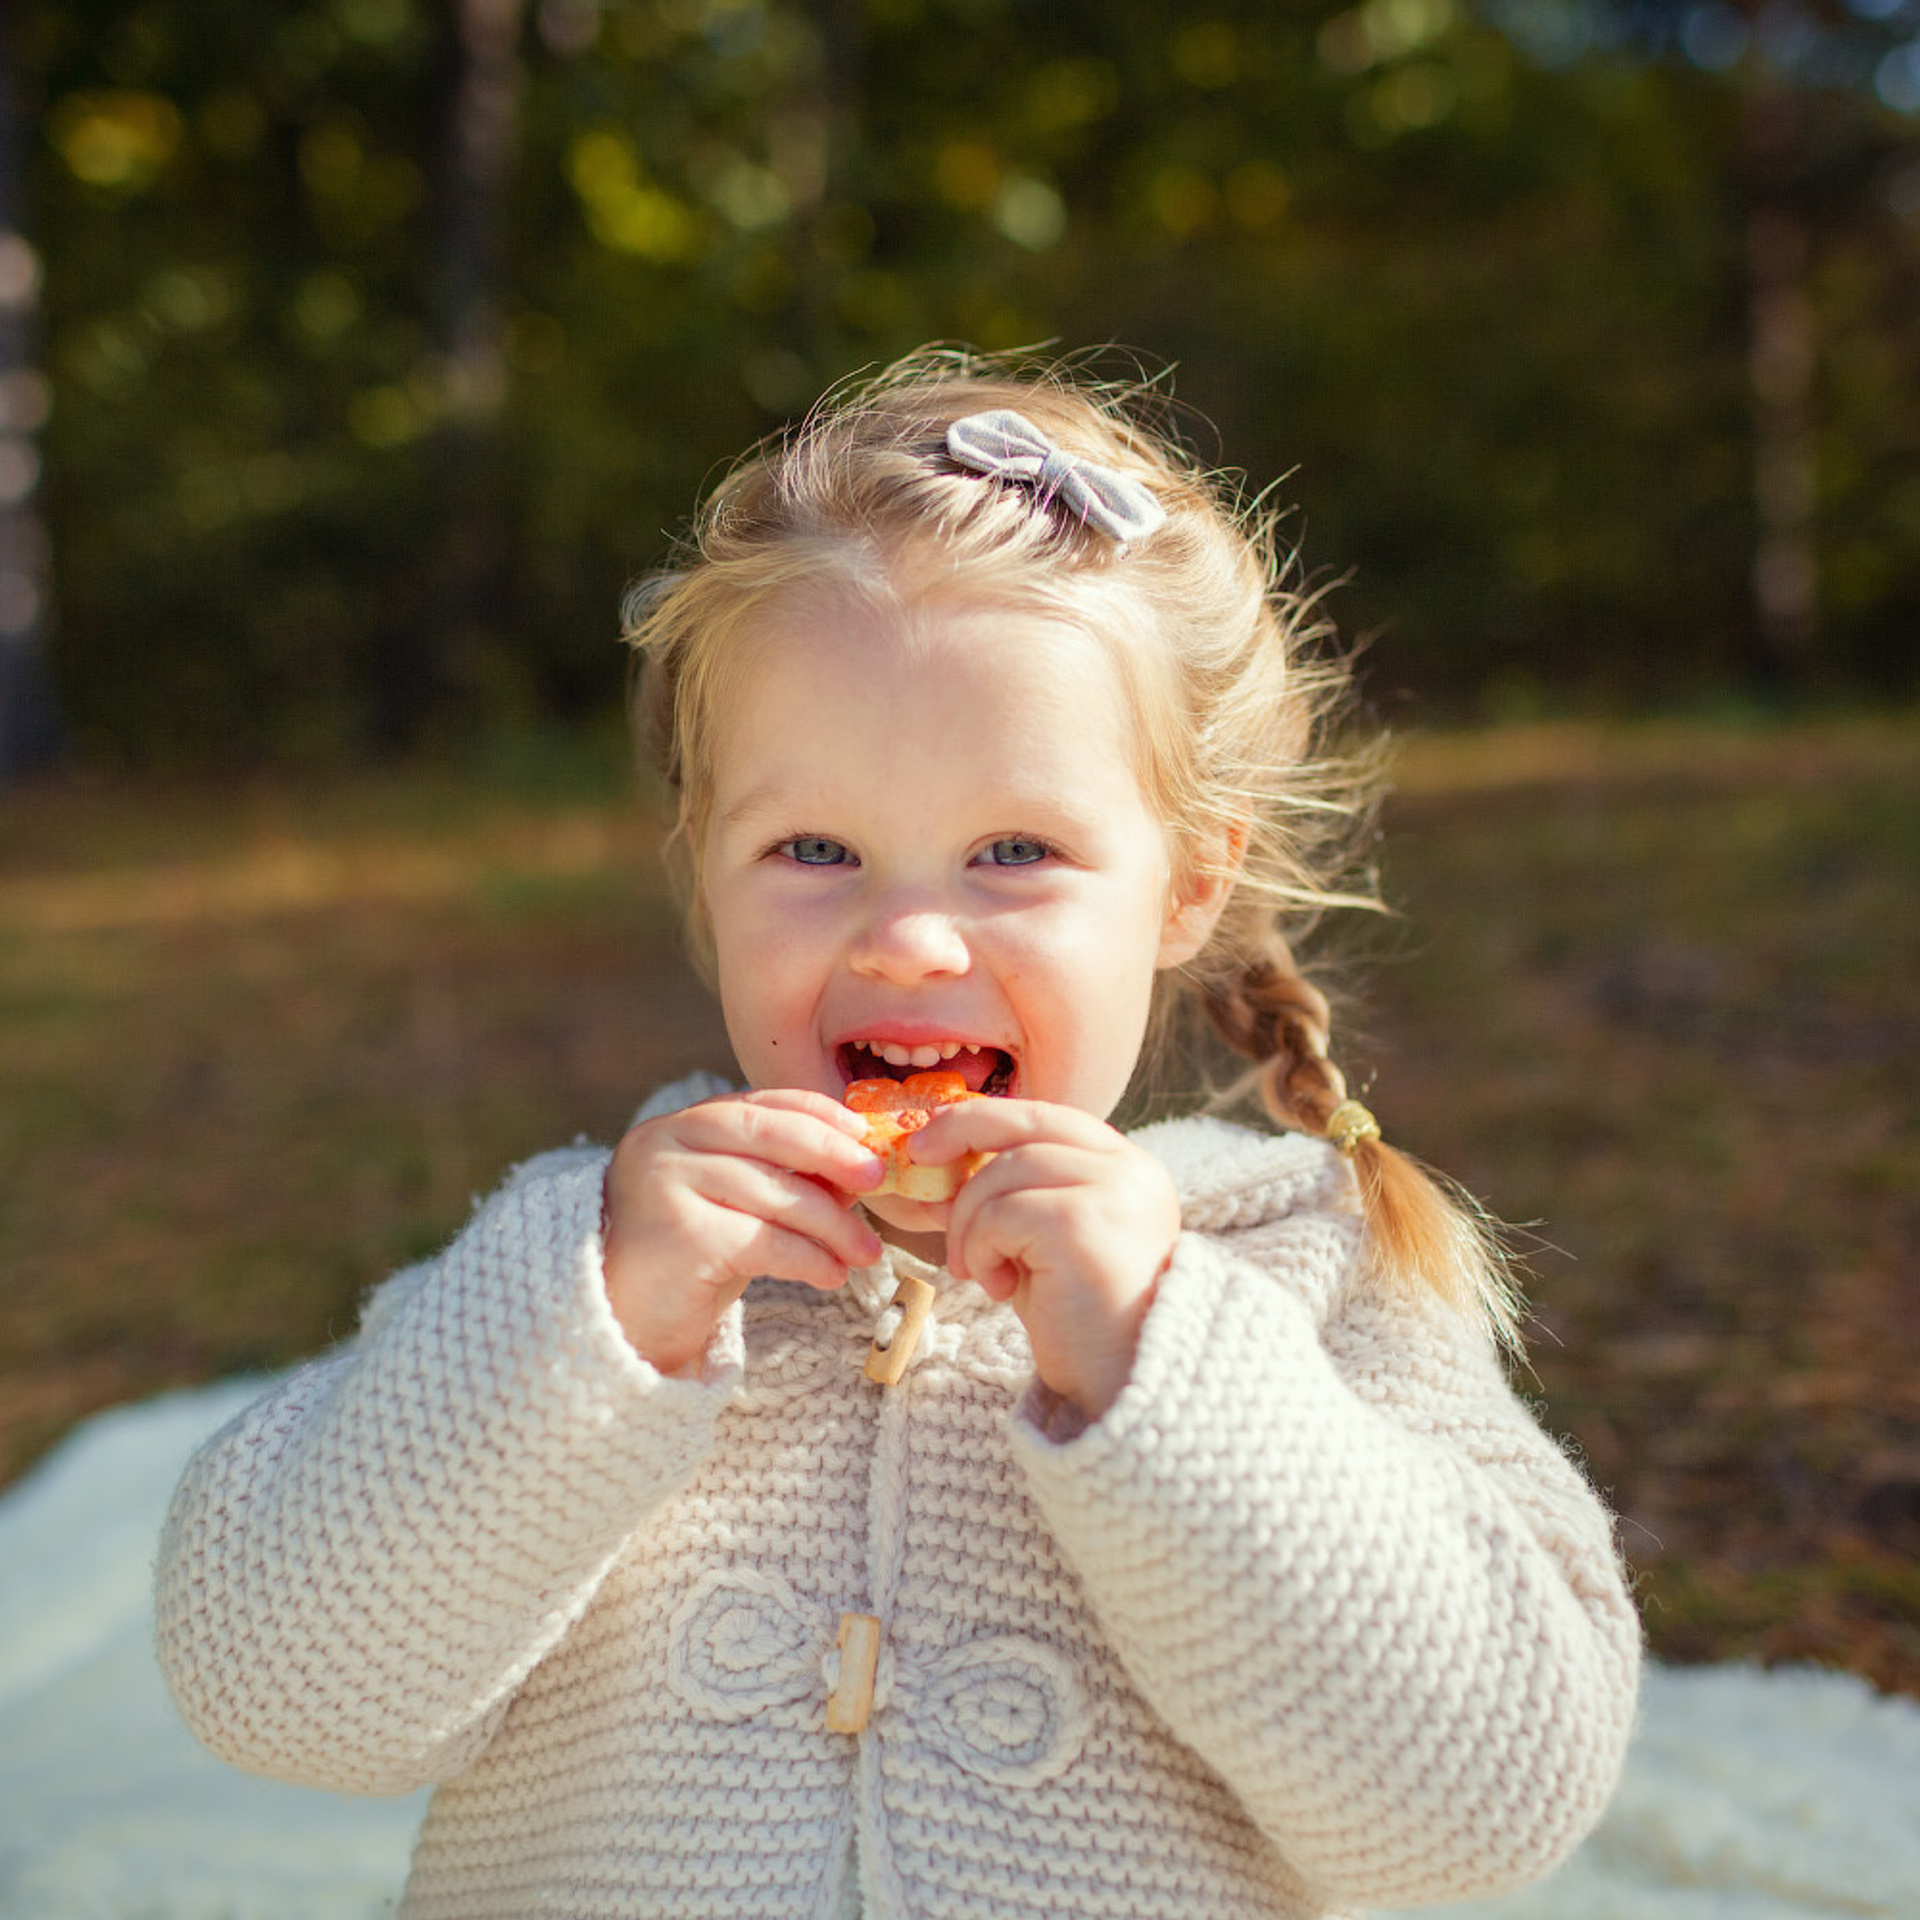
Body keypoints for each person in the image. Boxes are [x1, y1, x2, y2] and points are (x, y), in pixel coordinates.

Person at [155, 350, 1641, 1920]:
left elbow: (1492, 1805)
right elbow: (270, 1689)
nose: (909, 939)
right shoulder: (593, 1267)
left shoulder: (1304, 1275)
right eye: (814, 847)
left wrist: (1169, 1368)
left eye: (1015, 850)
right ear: (705, 867)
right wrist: (584, 1339)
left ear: (1189, 884)